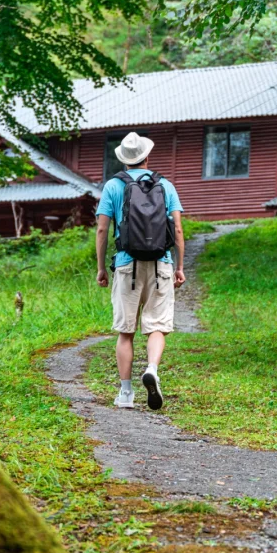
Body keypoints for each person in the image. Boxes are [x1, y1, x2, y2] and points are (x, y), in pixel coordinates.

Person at [95, 131, 185, 410]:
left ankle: (125, 394)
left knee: (126, 331)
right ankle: (153, 370)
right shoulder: (166, 185)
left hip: (126, 263)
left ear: (124, 160)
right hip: (161, 264)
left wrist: (101, 268)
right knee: (157, 325)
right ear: (147, 156)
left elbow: (102, 228)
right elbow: (178, 229)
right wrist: (180, 265)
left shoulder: (113, 186)